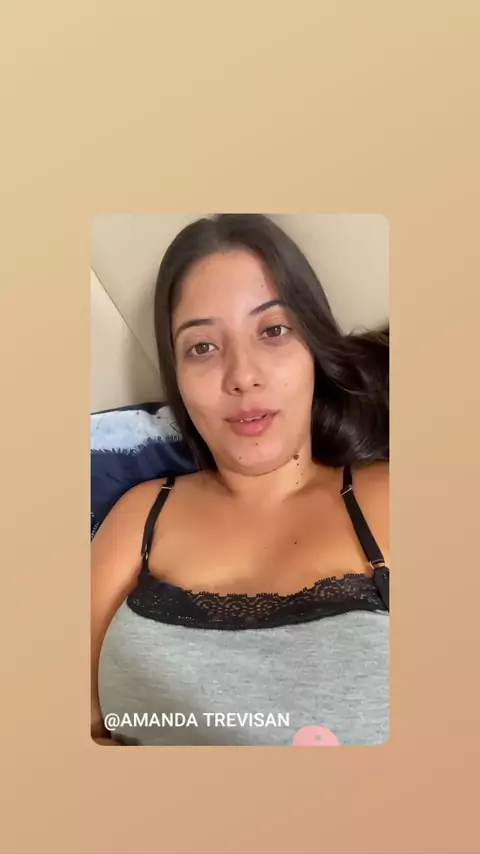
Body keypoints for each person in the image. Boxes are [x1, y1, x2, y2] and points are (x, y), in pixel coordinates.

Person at [91, 214, 390, 747]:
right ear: (177, 377)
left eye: (273, 331)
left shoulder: (395, 499)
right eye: (202, 347)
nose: (242, 376)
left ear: (313, 348)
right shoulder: (139, 515)